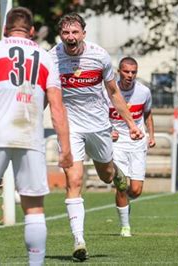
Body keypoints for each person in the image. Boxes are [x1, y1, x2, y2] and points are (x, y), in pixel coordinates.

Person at [0, 7, 72, 266]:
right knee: (33, 206)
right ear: (31, 31)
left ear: (5, 29)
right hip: (30, 134)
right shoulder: (46, 58)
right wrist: (65, 149)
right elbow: (57, 106)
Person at [49, 13, 143, 262]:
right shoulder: (51, 57)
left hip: (99, 125)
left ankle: (116, 172)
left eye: (75, 32)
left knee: (107, 176)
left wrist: (131, 124)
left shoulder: (99, 55)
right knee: (74, 180)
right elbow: (46, 93)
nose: (71, 37)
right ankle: (79, 240)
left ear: (83, 34)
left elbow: (113, 93)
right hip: (70, 127)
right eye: (66, 33)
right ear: (61, 35)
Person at [108, 57, 155, 237]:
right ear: (119, 72)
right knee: (121, 185)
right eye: (126, 71)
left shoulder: (144, 92)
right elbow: (101, 114)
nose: (130, 75)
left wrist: (152, 135)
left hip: (137, 143)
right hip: (117, 144)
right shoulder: (109, 91)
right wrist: (108, 131)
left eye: (133, 72)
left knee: (135, 190)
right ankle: (125, 227)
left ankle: (125, 202)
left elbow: (148, 113)